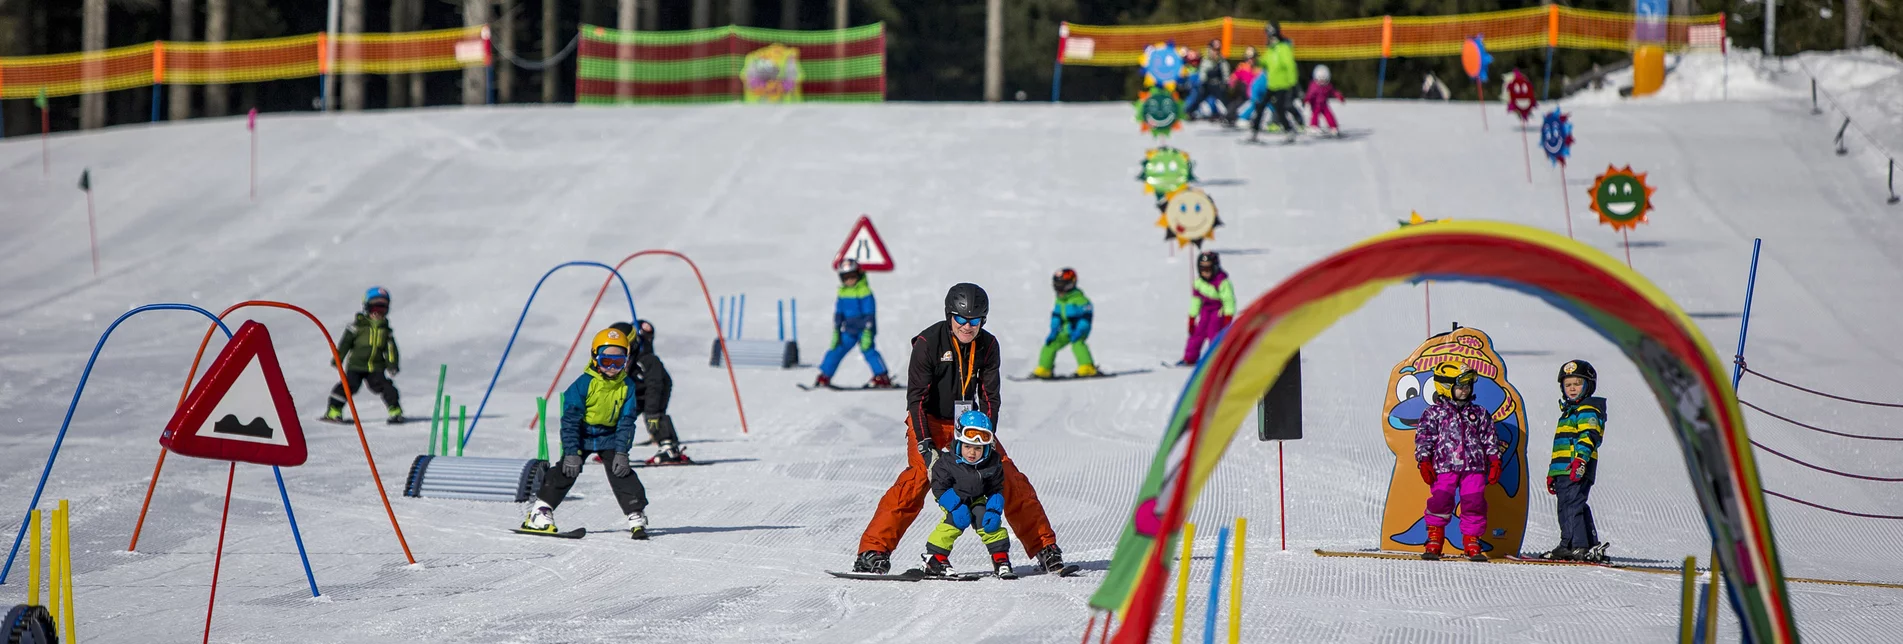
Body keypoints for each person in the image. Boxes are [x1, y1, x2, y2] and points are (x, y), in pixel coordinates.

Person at [853, 283, 1063, 574]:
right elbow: (916, 399)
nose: (967, 326)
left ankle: (1044, 548)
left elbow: (990, 397)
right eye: (961, 319)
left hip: (970, 424)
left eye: (974, 320)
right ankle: (872, 552)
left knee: (1008, 475)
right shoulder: (929, 343)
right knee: (916, 479)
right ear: (949, 316)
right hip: (928, 421)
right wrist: (925, 444)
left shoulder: (988, 346)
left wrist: (986, 440)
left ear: (983, 321)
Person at [521, 327, 652, 539]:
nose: (611, 368)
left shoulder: (627, 386)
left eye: (618, 362)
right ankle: (540, 510)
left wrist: (622, 452)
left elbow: (627, 421)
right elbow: (570, 421)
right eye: (606, 361)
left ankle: (635, 513)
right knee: (567, 469)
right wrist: (572, 452)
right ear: (595, 358)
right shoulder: (584, 384)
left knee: (621, 472)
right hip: (582, 433)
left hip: (609, 435)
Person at [1413, 363, 1502, 561]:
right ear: (1445, 387)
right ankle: (1434, 537)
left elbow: (1489, 438)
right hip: (1445, 466)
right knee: (1440, 500)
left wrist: (1494, 460)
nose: (1465, 390)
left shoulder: (1479, 413)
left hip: (1474, 467)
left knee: (1474, 501)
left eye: (1468, 385)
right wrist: (1424, 460)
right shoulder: (1434, 413)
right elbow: (1424, 438)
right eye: (1460, 386)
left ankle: (1472, 539)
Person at [920, 410, 1017, 578]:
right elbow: (939, 488)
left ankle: (1000, 558)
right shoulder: (947, 463)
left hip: (977, 497)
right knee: (957, 520)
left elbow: (996, 488)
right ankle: (934, 558)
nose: (972, 453)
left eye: (978, 448)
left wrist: (994, 510)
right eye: (967, 447)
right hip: (953, 496)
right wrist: (955, 506)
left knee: (986, 520)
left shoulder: (992, 462)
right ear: (958, 443)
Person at [1542, 360, 1608, 562]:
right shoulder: (1570, 411)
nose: (1572, 388)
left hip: (1577, 467)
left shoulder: (1587, 410)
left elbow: (1589, 437)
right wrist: (1553, 473)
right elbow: (1560, 448)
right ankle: (1587, 544)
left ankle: (1573, 545)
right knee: (1572, 505)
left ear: (1588, 386)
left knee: (1571, 506)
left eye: (1577, 384)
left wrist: (1580, 461)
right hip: (1564, 469)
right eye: (1568, 384)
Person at [610, 320, 687, 464]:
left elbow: (655, 385)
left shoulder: (646, 359)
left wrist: (652, 408)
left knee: (653, 416)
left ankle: (669, 446)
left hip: (657, 388)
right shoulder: (619, 358)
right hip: (636, 390)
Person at [325, 287, 405, 423]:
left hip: (376, 367)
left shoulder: (385, 331)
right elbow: (345, 344)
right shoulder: (357, 327)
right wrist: (338, 358)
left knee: (386, 387)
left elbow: (391, 350)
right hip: (356, 365)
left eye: (382, 309)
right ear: (366, 308)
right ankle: (334, 410)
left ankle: (395, 411)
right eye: (374, 308)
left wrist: (392, 365)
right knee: (348, 385)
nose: (378, 313)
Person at [814, 260, 895, 389]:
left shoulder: (864, 291)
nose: (849, 280)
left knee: (868, 350)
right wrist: (837, 327)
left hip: (864, 329)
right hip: (849, 329)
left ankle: (882, 376)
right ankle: (824, 375)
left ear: (858, 275)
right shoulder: (842, 292)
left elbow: (870, 311)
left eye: (852, 276)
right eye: (845, 277)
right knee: (836, 349)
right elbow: (839, 311)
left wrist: (868, 329)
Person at [1035, 268, 1096, 379]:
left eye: (1060, 285)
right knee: (1050, 344)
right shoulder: (1060, 300)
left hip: (1078, 328)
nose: (1058, 289)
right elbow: (1057, 315)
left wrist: (1080, 329)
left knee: (1077, 344)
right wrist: (1054, 329)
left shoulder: (1080, 299)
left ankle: (1087, 367)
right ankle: (1044, 369)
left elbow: (1086, 317)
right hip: (1065, 329)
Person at [1179, 252, 1236, 366]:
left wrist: (1228, 316)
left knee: (1213, 333)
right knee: (1197, 334)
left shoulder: (1222, 282)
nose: (1206, 272)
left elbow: (1229, 300)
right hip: (1205, 311)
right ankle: (1190, 358)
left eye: (1209, 268)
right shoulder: (1199, 283)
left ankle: (1215, 359)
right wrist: (1192, 317)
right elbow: (1196, 301)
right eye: (1203, 269)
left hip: (1218, 311)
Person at [1250, 23, 1302, 143]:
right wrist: (1256, 62)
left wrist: (1292, 83)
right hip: (1272, 84)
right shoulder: (1271, 49)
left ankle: (1289, 130)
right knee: (1261, 106)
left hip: (1282, 85)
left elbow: (1290, 65)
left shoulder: (1283, 48)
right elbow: (1266, 62)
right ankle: (1254, 132)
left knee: (1279, 108)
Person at [1304, 64, 1345, 136]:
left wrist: (1339, 96)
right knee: (1315, 115)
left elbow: (1333, 91)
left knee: (1329, 115)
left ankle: (1333, 127)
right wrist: (1307, 101)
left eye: (1324, 80)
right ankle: (1313, 126)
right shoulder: (1314, 86)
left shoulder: (1328, 86)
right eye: (1320, 80)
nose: (1322, 82)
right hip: (1315, 104)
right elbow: (1310, 94)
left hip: (1324, 104)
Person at [1229, 46, 1260, 123]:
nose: (1250, 60)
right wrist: (1232, 86)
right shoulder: (1242, 67)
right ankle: (1230, 116)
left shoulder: (1258, 69)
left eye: (1252, 58)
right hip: (1244, 92)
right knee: (1237, 102)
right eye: (1248, 58)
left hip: (1254, 93)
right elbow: (1233, 78)